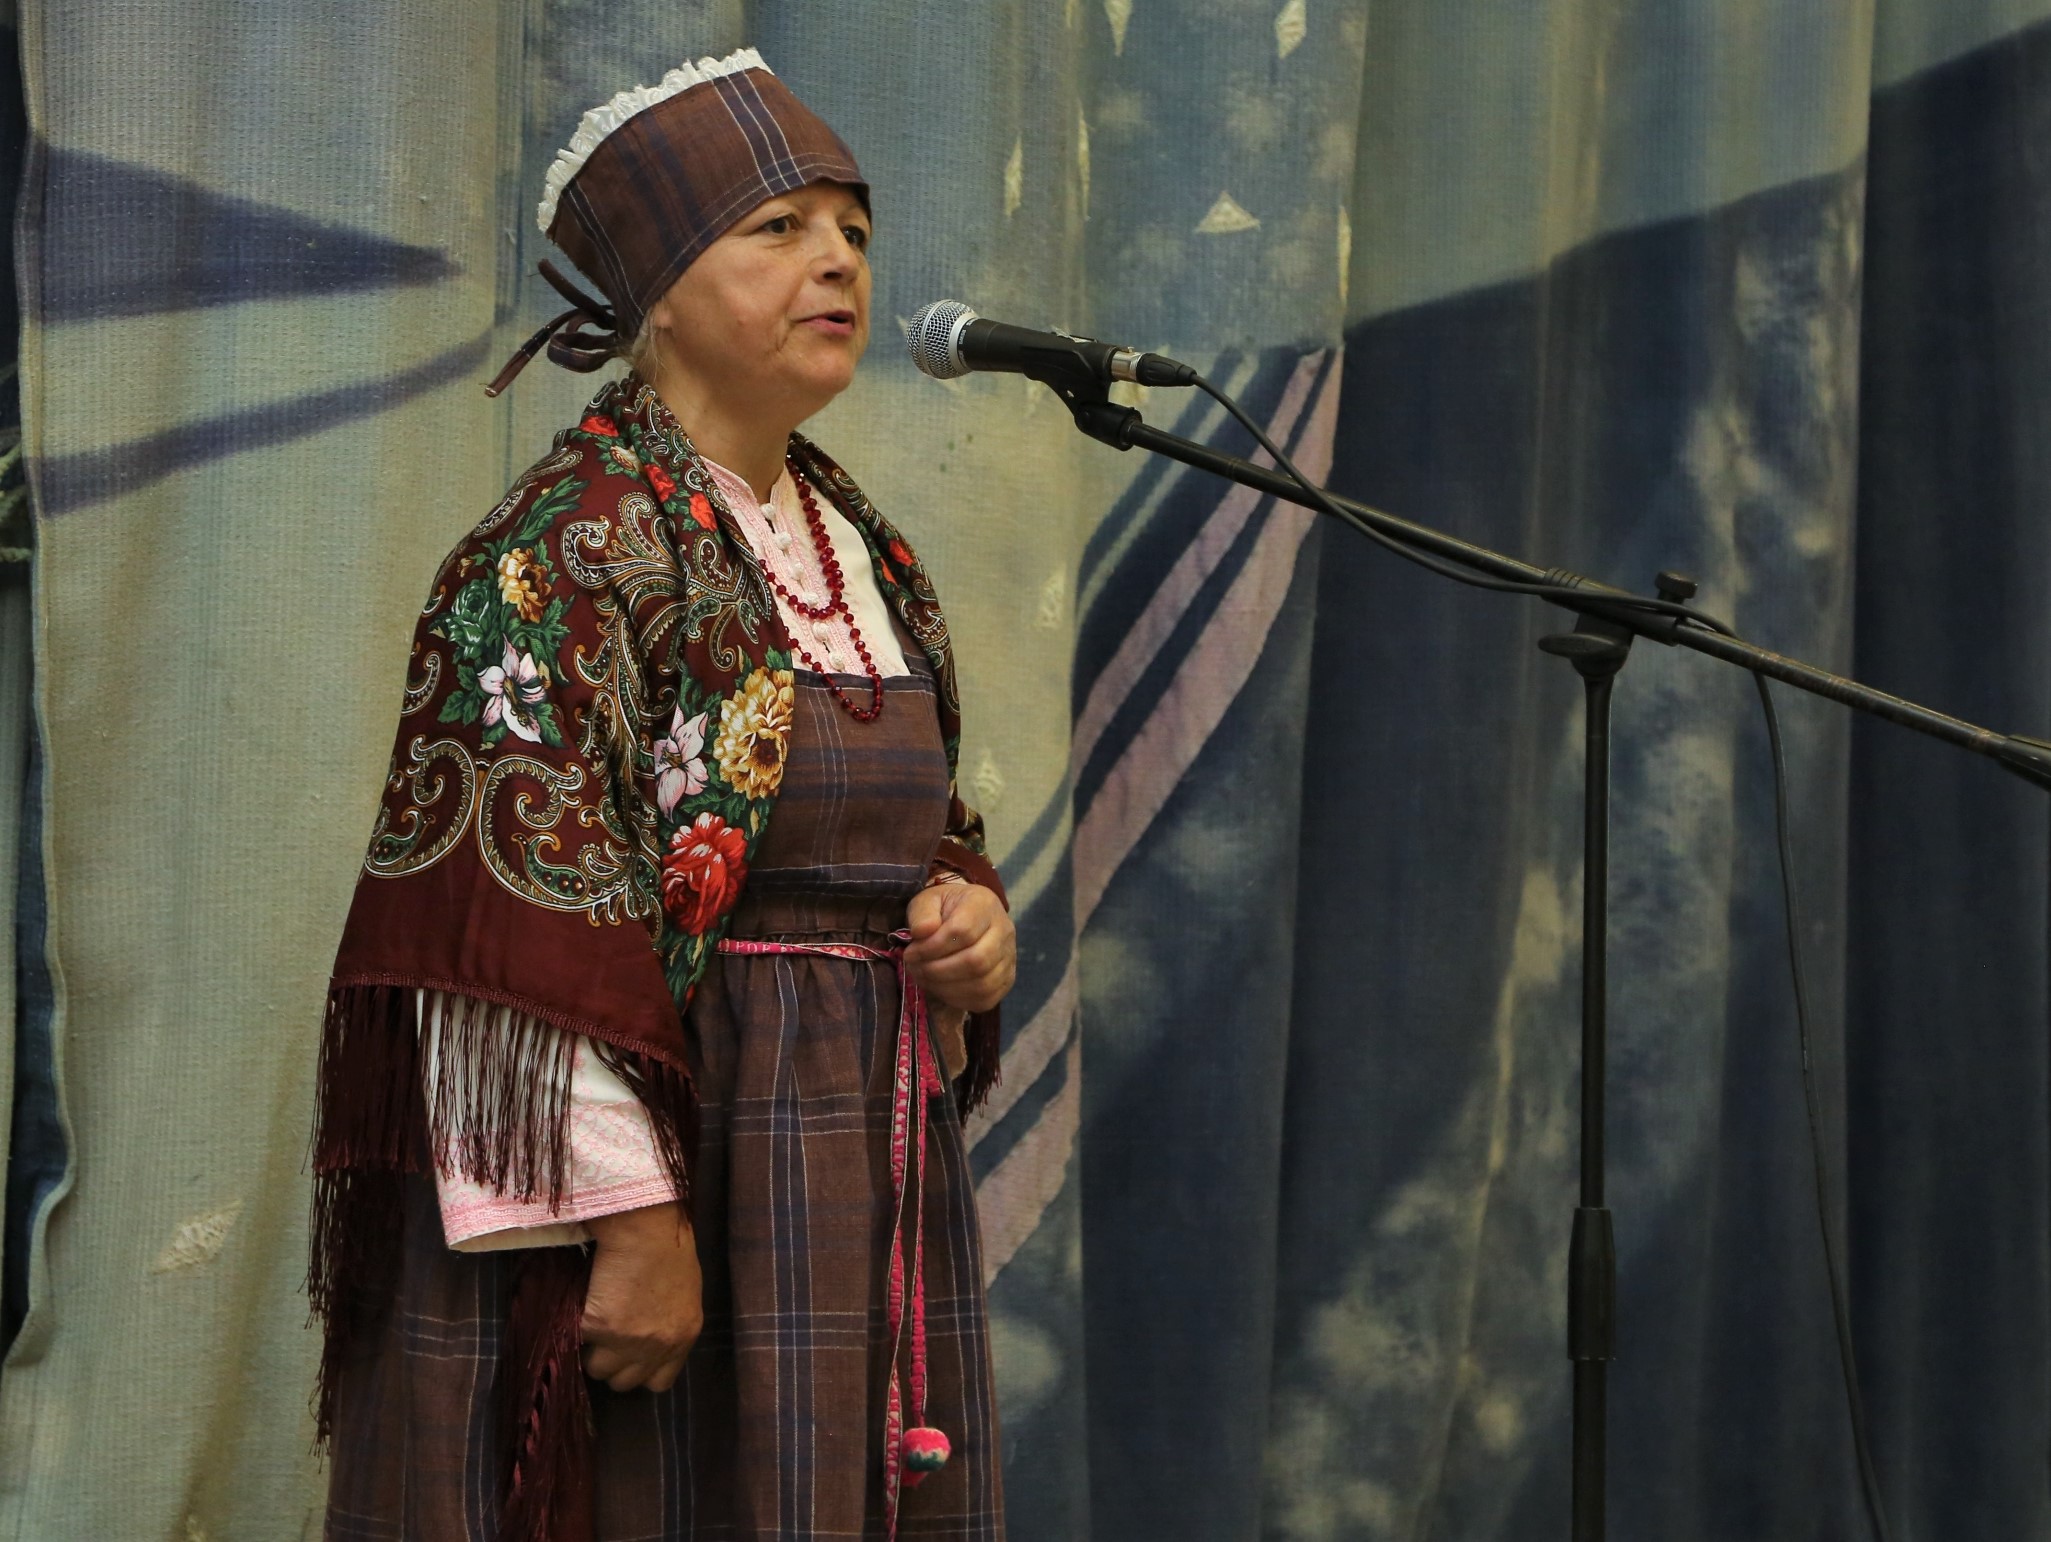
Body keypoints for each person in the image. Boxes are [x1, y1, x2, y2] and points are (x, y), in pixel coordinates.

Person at [308, 48, 1015, 1542]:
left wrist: (966, 925)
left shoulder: (862, 550)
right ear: (663, 296)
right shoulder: (567, 544)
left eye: (855, 232)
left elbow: (908, 834)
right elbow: (504, 911)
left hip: (833, 1158)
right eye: (780, 226)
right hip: (667, 1169)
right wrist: (633, 1225)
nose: (839, 259)